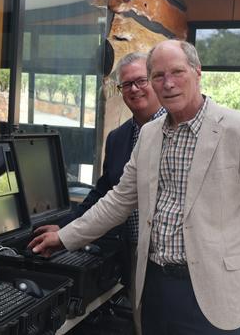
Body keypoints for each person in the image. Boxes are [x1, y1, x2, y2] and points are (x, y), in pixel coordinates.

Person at [29, 39, 240, 334]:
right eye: (158, 76)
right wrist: (64, 237)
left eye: (177, 72)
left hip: (214, 291)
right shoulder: (150, 134)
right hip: (154, 286)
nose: (168, 84)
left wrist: (233, 259)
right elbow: (118, 200)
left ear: (197, 72)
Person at [33, 52, 164, 331]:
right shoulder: (118, 139)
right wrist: (64, 227)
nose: (134, 89)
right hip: (129, 253)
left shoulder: (175, 131)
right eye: (126, 85)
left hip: (166, 259)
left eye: (141, 80)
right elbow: (105, 193)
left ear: (154, 81)